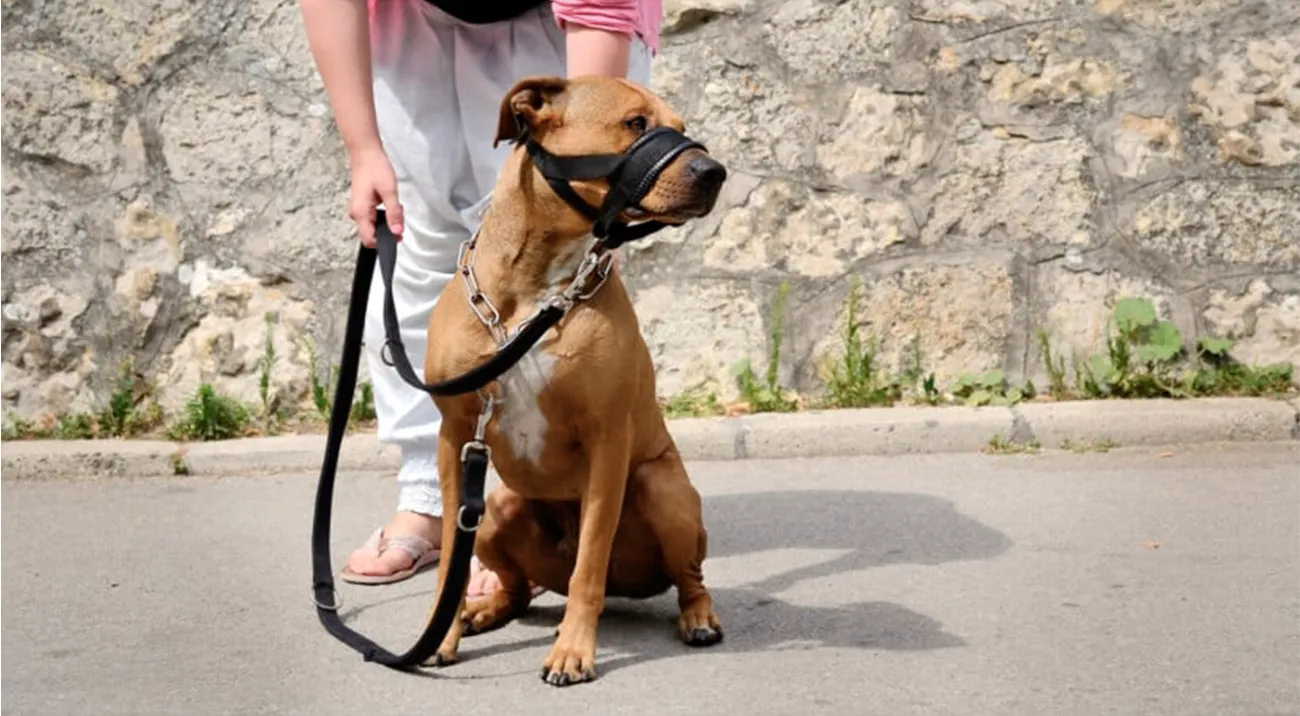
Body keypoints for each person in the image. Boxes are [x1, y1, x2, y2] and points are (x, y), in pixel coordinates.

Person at [298, 0, 662, 594]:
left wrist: (596, 173)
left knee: (552, 267)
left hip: (564, 26)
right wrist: (362, 148)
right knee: (415, 245)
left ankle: (531, 513)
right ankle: (427, 497)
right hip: (415, 22)